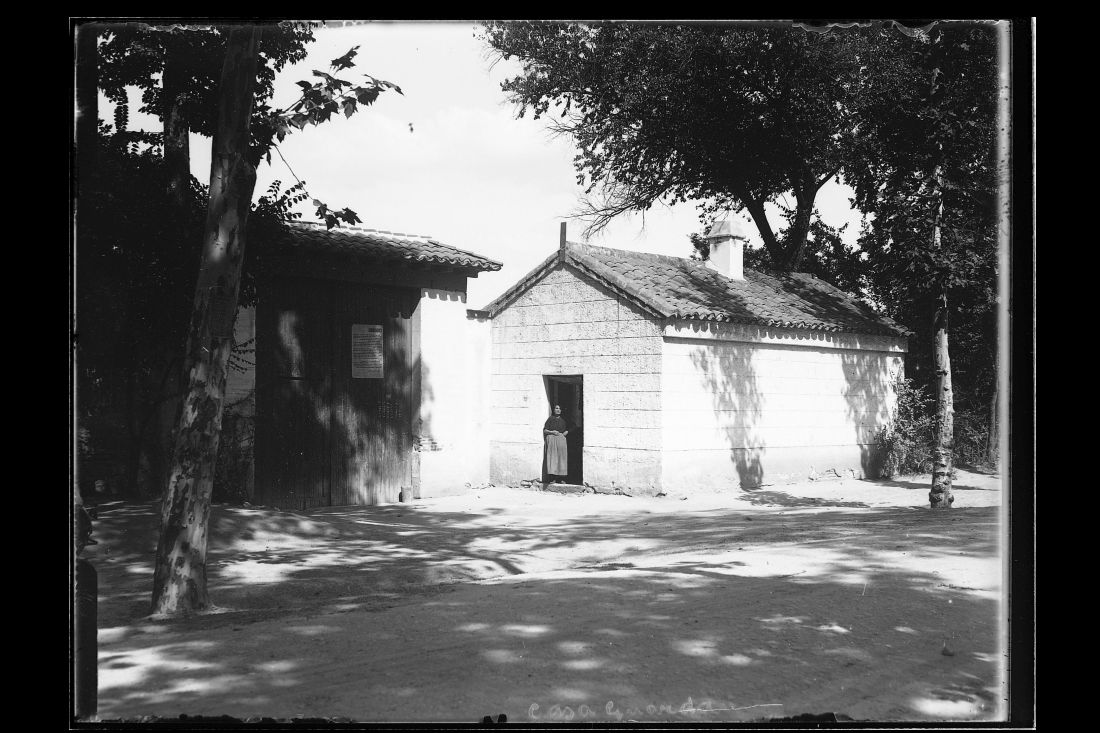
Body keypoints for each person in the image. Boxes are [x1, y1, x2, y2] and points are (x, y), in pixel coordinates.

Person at [543, 404, 570, 483]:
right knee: (553, 459)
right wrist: (552, 432)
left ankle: (562, 478)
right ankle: (553, 478)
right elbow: (545, 430)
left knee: (562, 459)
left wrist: (566, 432)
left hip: (561, 440)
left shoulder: (564, 420)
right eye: (556, 408)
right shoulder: (550, 419)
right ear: (554, 410)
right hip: (552, 440)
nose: (558, 410)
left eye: (559, 408)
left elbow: (573, 426)